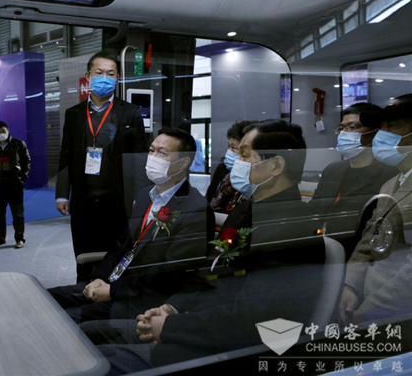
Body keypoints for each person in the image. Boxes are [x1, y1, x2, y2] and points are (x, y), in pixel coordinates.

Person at [80, 120, 325, 374]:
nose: (235, 162)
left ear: (275, 166)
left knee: (96, 359)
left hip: (227, 347)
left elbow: (252, 319)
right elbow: (211, 273)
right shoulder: (247, 209)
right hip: (195, 320)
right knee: (88, 333)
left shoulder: (292, 228)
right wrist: (169, 308)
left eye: (244, 155)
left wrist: (171, 327)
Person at [49, 127, 207, 323]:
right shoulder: (145, 196)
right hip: (114, 282)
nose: (152, 158)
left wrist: (112, 291)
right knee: (43, 297)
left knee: (56, 320)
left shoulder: (194, 209)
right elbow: (121, 245)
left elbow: (170, 276)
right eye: (151, 151)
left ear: (183, 163)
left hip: (139, 300)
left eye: (162, 153)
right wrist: (99, 278)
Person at [56, 51, 148, 282]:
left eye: (111, 74)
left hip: (119, 200)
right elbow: (66, 156)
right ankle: (83, 291)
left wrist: (140, 196)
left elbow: (140, 159)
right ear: (88, 76)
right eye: (99, 73)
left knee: (117, 255)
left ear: (117, 78)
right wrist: (62, 194)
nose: (105, 78)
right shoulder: (74, 114)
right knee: (84, 255)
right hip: (83, 200)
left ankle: (112, 293)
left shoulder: (130, 112)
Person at [339, 94, 412, 326]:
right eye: (381, 128)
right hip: (368, 304)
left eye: (392, 127)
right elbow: (368, 240)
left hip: (397, 313)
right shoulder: (389, 185)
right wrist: (350, 286)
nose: (381, 135)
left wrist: (370, 311)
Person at [310, 103, 397, 259]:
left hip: (361, 254)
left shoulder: (389, 174)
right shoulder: (333, 170)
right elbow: (315, 211)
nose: (345, 133)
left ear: (376, 133)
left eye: (354, 127)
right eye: (342, 128)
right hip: (324, 250)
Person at [0, 121, 31, 249]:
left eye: (3, 131)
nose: (1, 134)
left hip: (14, 184)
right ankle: (0, 238)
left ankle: (19, 239)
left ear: (8, 130)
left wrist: (22, 178)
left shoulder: (18, 144)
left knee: (18, 214)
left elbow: (27, 161)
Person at [205, 120, 258, 215]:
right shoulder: (223, 169)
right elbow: (208, 197)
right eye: (228, 146)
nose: (228, 152)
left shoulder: (255, 179)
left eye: (233, 148)